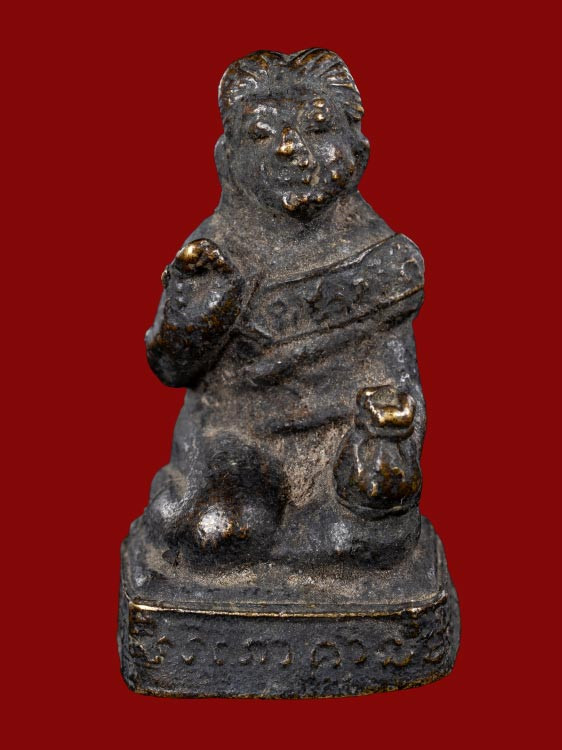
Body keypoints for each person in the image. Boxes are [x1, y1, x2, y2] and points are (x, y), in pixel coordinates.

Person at [142, 49, 425, 566]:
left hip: (343, 434)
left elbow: (397, 377)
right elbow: (170, 366)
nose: (289, 148)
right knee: (223, 531)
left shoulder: (382, 260)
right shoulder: (218, 253)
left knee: (374, 533)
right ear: (227, 159)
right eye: (261, 134)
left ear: (358, 152)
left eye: (317, 129)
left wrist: (389, 433)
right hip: (237, 434)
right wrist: (199, 315)